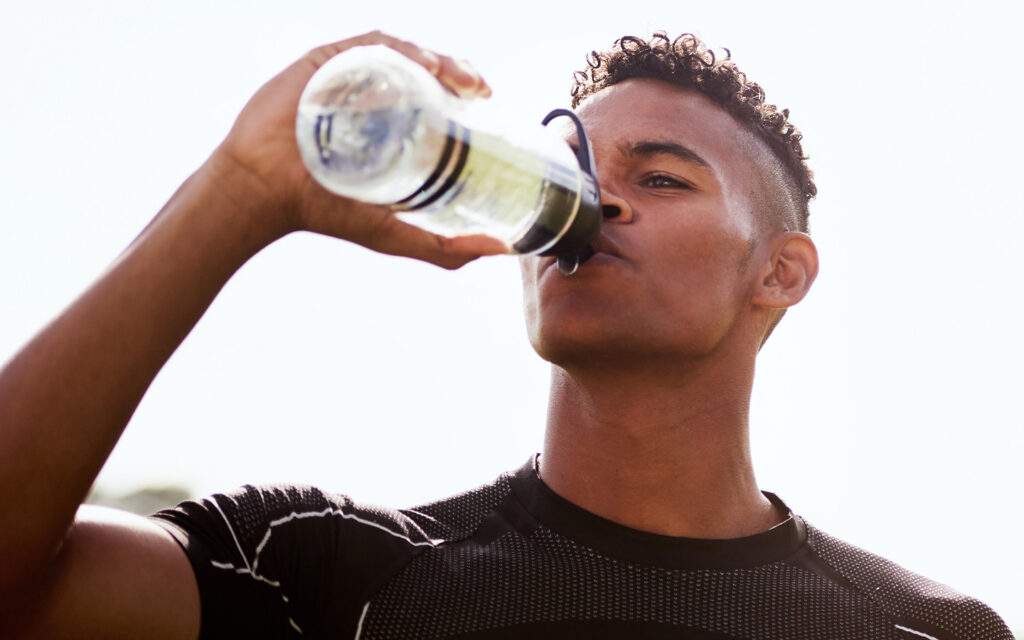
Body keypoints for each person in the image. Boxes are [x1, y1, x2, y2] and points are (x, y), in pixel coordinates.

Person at [0, 29, 1013, 640]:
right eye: (572, 171)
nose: (593, 203)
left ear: (779, 271)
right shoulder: (330, 571)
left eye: (659, 178)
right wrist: (241, 192)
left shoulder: (923, 629)